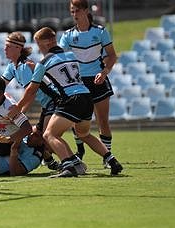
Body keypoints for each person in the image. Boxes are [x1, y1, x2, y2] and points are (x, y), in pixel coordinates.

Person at [12, 27, 122, 177]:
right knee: (84, 134)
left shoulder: (43, 62)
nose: (39, 48)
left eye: (39, 44)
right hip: (86, 97)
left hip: (70, 100)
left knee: (49, 135)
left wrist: (17, 107)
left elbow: (31, 89)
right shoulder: (71, 56)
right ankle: (112, 161)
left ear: (45, 43)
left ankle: (68, 166)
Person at [59, 0, 118, 166]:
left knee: (102, 121)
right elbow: (61, 58)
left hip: (98, 80)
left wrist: (104, 72)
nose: (74, 14)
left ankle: (107, 156)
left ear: (85, 11)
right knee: (76, 120)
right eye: (72, 11)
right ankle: (80, 151)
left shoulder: (100, 32)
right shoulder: (68, 35)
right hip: (78, 83)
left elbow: (112, 55)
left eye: (77, 10)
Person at [1, 31, 60, 170]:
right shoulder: (12, 66)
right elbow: (0, 86)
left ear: (18, 48)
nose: (5, 49)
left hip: (55, 102)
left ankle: (72, 161)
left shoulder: (25, 66)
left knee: (47, 137)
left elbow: (31, 93)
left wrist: (19, 113)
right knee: (34, 138)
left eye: (8, 46)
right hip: (47, 105)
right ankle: (50, 161)